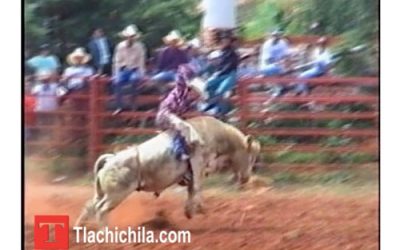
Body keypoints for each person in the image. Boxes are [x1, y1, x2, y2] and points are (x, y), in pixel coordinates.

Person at [156, 64, 206, 161]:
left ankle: (188, 151)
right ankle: (179, 153)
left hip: (172, 116)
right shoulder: (179, 94)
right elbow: (176, 109)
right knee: (182, 126)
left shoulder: (188, 99)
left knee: (185, 128)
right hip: (165, 115)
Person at [112, 24, 147, 115]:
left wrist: (142, 73)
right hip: (123, 69)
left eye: (132, 36)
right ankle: (119, 105)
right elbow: (117, 61)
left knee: (134, 79)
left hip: (134, 69)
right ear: (126, 37)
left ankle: (133, 102)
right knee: (117, 82)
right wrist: (115, 73)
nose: (130, 38)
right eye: (129, 36)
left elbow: (141, 60)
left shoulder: (140, 47)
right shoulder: (120, 46)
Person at [202, 33, 239, 117]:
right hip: (222, 74)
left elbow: (230, 66)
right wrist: (217, 72)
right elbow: (219, 65)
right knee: (208, 85)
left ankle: (216, 109)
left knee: (220, 91)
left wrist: (219, 73)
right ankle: (219, 108)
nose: (224, 41)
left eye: (226, 40)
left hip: (229, 74)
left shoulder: (232, 53)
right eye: (223, 40)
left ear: (229, 42)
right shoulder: (222, 52)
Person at [258, 29, 291, 96]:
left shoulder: (283, 43)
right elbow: (268, 60)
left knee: (282, 70)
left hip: (279, 65)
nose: (276, 37)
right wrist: (280, 64)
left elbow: (287, 55)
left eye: (278, 35)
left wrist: (288, 64)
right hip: (266, 66)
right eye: (274, 35)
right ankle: (277, 89)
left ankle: (279, 88)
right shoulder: (267, 44)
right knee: (275, 69)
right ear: (271, 36)